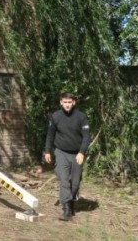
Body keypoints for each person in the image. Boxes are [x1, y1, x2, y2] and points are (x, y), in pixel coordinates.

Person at [44, 92, 90, 221]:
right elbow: (50, 135)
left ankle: (71, 202)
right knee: (64, 180)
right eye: (65, 102)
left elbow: (86, 137)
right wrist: (47, 151)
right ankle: (67, 210)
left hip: (77, 154)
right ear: (61, 102)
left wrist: (82, 152)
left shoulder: (81, 117)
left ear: (74, 102)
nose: (67, 105)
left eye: (70, 102)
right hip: (61, 152)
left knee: (74, 183)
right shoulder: (55, 116)